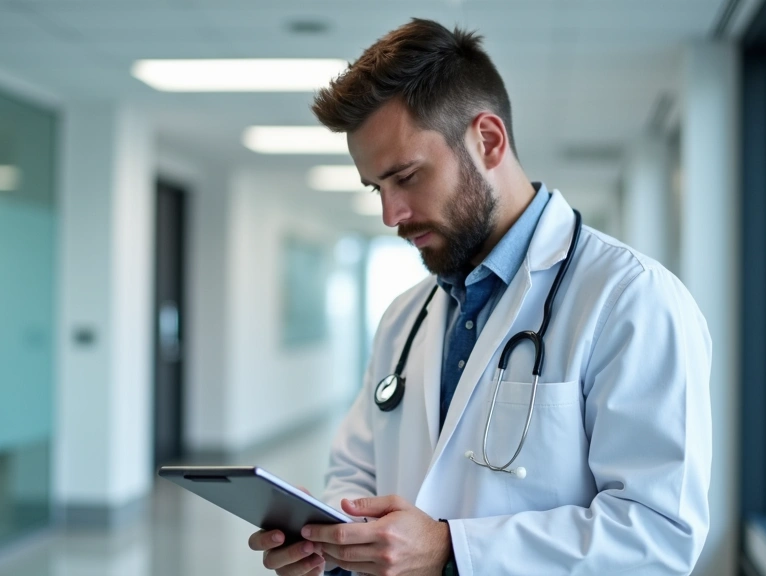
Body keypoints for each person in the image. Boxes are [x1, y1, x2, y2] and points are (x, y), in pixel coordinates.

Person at [248, 18, 712, 576]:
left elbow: (658, 536)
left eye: (406, 177)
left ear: (487, 140)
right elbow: (356, 469)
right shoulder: (407, 316)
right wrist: (331, 540)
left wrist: (452, 552)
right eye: (377, 189)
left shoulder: (630, 299)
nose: (390, 215)